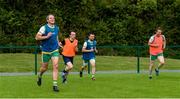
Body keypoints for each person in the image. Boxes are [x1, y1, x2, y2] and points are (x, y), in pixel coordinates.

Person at [35, 14, 61, 92]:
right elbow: (37, 37)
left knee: (56, 66)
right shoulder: (44, 28)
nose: (52, 19)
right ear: (47, 20)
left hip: (55, 50)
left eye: (53, 18)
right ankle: (40, 76)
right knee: (44, 68)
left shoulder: (57, 28)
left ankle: (55, 85)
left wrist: (58, 43)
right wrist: (46, 36)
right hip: (45, 51)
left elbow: (56, 37)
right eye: (50, 18)